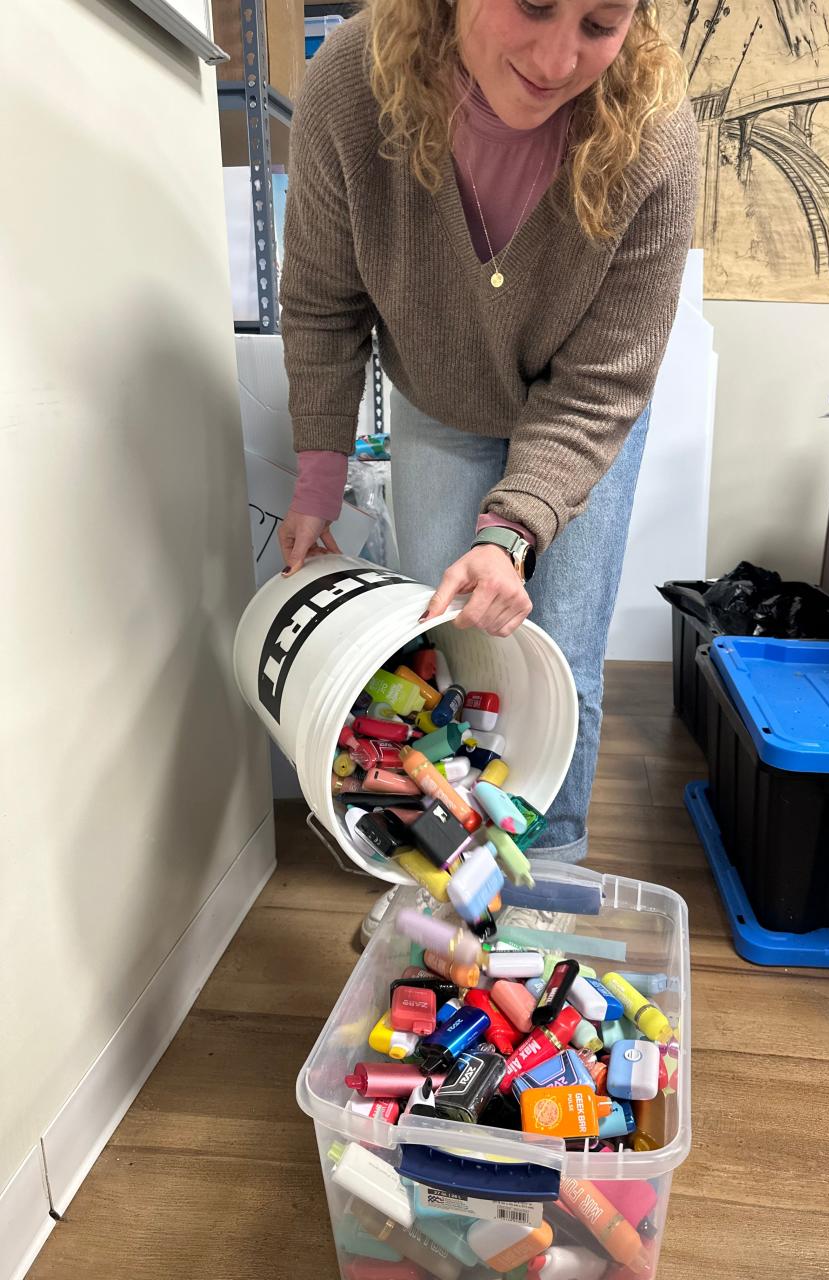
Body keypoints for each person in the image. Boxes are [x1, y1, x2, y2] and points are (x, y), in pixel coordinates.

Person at [278, 0, 698, 880]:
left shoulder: (655, 133)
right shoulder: (353, 83)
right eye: (534, 5)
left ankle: (543, 879)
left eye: (600, 23)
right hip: (438, 400)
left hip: (581, 410)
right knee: (447, 650)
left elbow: (604, 382)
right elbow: (323, 303)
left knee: (559, 655)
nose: (556, 58)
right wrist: (317, 482)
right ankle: (448, 872)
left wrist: (509, 533)